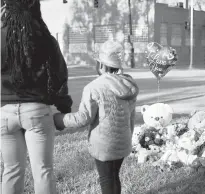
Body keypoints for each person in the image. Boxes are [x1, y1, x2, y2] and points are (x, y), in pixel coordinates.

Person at [1, 1, 73, 194]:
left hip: (4, 113)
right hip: (36, 111)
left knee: (11, 170)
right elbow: (59, 76)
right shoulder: (45, 38)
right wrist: (63, 106)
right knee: (43, 171)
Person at [54, 40, 139, 194]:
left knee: (106, 179)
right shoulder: (129, 85)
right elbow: (131, 117)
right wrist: (128, 137)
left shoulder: (94, 87)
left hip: (104, 145)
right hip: (123, 142)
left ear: (101, 65)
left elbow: (83, 118)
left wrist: (59, 119)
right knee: (114, 176)